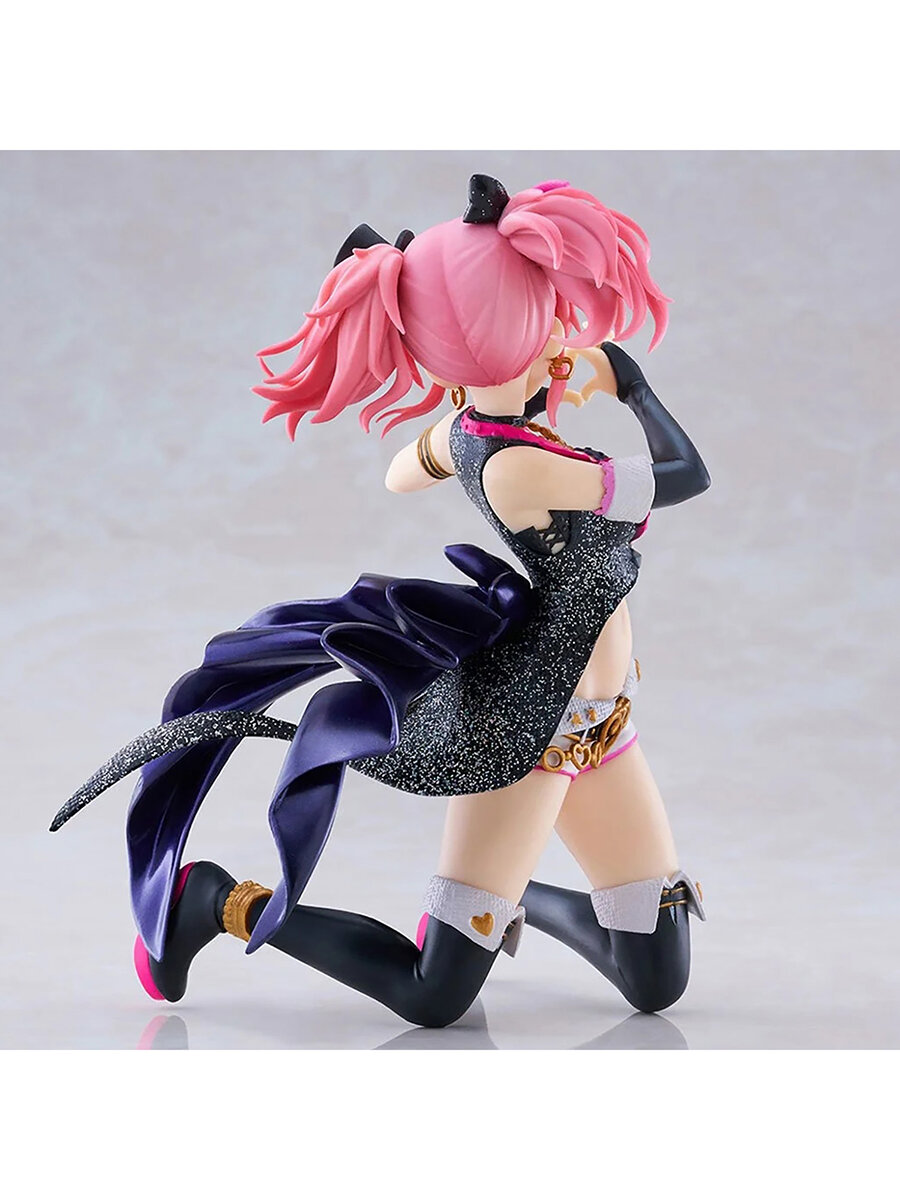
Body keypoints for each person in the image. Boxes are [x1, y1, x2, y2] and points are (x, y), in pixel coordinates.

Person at [52, 175, 710, 1028]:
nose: (563, 334)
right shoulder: (523, 467)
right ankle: (214, 901)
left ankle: (519, 894)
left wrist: (456, 434)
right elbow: (686, 474)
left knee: (657, 979)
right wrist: (631, 385)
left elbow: (404, 470)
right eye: (545, 317)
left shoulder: (475, 434)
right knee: (433, 994)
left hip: (604, 725)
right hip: (528, 734)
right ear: (506, 340)